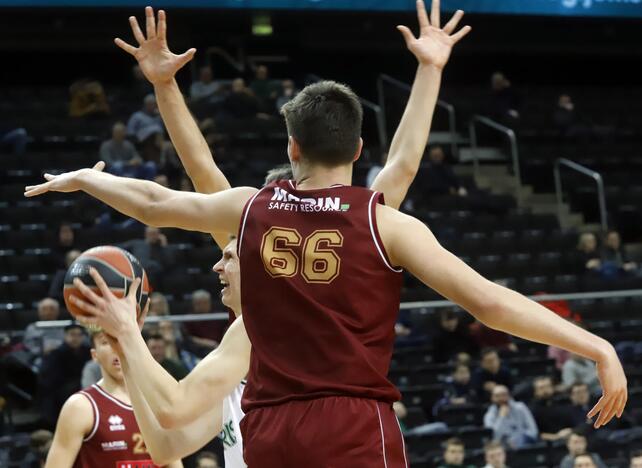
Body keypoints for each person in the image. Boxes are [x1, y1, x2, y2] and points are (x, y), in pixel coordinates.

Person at [29, 3, 627, 466]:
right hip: (351, 426)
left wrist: (90, 177)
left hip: (270, 431)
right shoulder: (381, 220)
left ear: (292, 148)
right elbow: (490, 301)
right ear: (359, 148)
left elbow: (163, 198)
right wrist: (596, 346)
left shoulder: (253, 211)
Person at [44, 327, 183, 467]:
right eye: (106, 342)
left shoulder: (158, 403)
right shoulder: (81, 406)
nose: (117, 348)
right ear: (94, 355)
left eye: (122, 340)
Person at [38, 324, 91, 428]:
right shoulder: (55, 354)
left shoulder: (88, 352)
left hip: (83, 386)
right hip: (60, 391)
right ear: (65, 336)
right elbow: (50, 379)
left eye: (79, 335)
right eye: (72, 334)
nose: (75, 338)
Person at [483, 385, 538, 449]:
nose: (501, 398)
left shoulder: (520, 407)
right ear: (492, 398)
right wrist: (501, 418)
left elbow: (533, 430)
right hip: (502, 448)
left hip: (524, 444)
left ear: (509, 396)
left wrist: (520, 441)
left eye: (504, 395)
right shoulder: (489, 415)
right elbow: (494, 437)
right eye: (497, 396)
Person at [529, 376, 574, 442]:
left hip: (568, 439)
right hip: (546, 444)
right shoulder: (533, 410)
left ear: (552, 388)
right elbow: (535, 433)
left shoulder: (562, 403)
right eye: (541, 388)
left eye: (547, 386)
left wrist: (571, 430)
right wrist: (556, 437)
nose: (545, 390)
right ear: (535, 391)